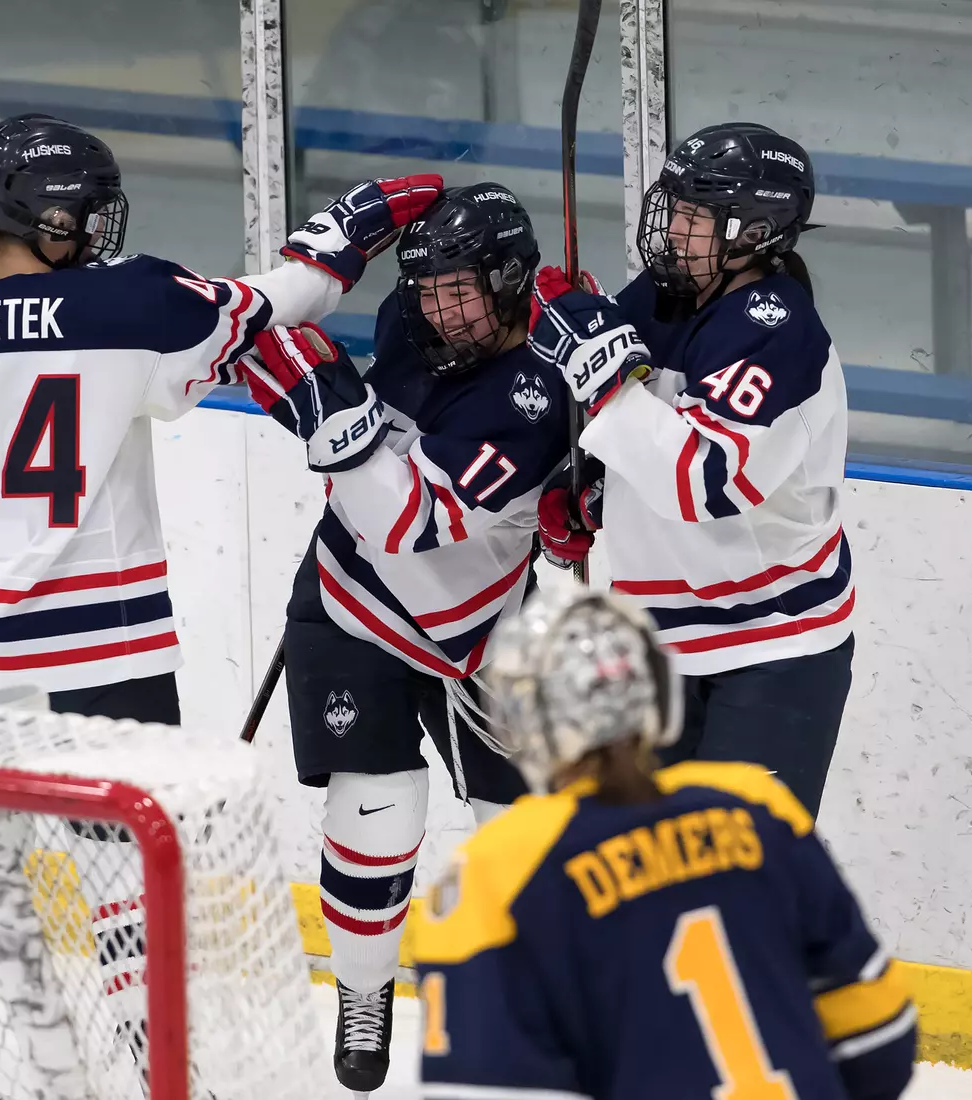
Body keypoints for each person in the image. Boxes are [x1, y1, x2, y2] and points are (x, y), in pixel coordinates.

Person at [0, 112, 439, 1098]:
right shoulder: (133, 304)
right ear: (55, 218)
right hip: (100, 655)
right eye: (89, 215)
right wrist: (356, 225)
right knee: (124, 860)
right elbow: (283, 300)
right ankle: (158, 1068)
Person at [240, 184, 567, 1093]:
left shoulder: (535, 389)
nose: (437, 308)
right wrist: (312, 271)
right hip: (349, 606)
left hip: (480, 629)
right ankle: (363, 991)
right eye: (423, 287)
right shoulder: (409, 319)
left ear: (507, 281)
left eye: (459, 289)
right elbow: (253, 335)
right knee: (374, 816)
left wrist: (332, 420)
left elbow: (410, 520)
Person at [414, 587, 916, 1100]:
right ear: (659, 693)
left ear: (523, 718)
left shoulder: (500, 867)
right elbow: (881, 1042)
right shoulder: (757, 806)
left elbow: (484, 1089)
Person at [532, 122, 852, 815]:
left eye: (694, 216)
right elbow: (621, 414)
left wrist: (602, 378)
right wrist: (588, 483)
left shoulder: (777, 330)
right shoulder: (666, 292)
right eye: (673, 209)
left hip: (772, 642)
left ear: (754, 230)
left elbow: (701, 480)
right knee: (650, 874)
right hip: (665, 639)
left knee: (741, 882)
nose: (673, 230)